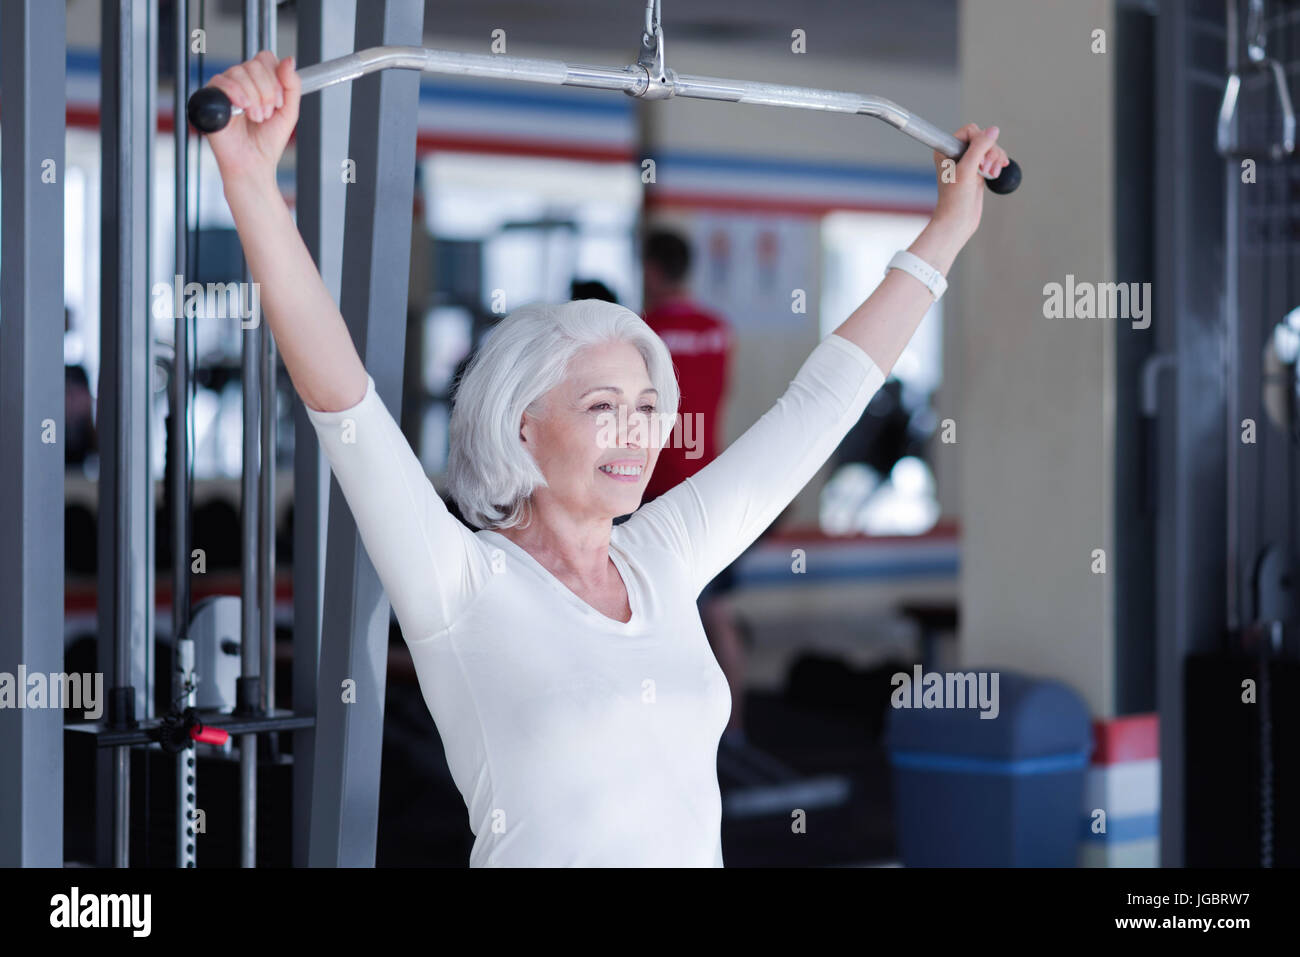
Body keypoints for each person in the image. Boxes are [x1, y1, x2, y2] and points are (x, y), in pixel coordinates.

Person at [204, 51, 1008, 867]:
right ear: (522, 428)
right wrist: (251, 182)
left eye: (648, 410)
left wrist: (945, 232)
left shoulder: (662, 553)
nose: (636, 434)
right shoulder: (460, 582)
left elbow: (818, 406)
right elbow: (343, 403)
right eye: (603, 409)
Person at [638, 230, 751, 746]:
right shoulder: (718, 330)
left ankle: (663, 730)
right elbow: (716, 398)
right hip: (709, 485)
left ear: (653, 271)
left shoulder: (644, 332)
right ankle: (735, 728)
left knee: (649, 615)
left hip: (655, 490)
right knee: (717, 612)